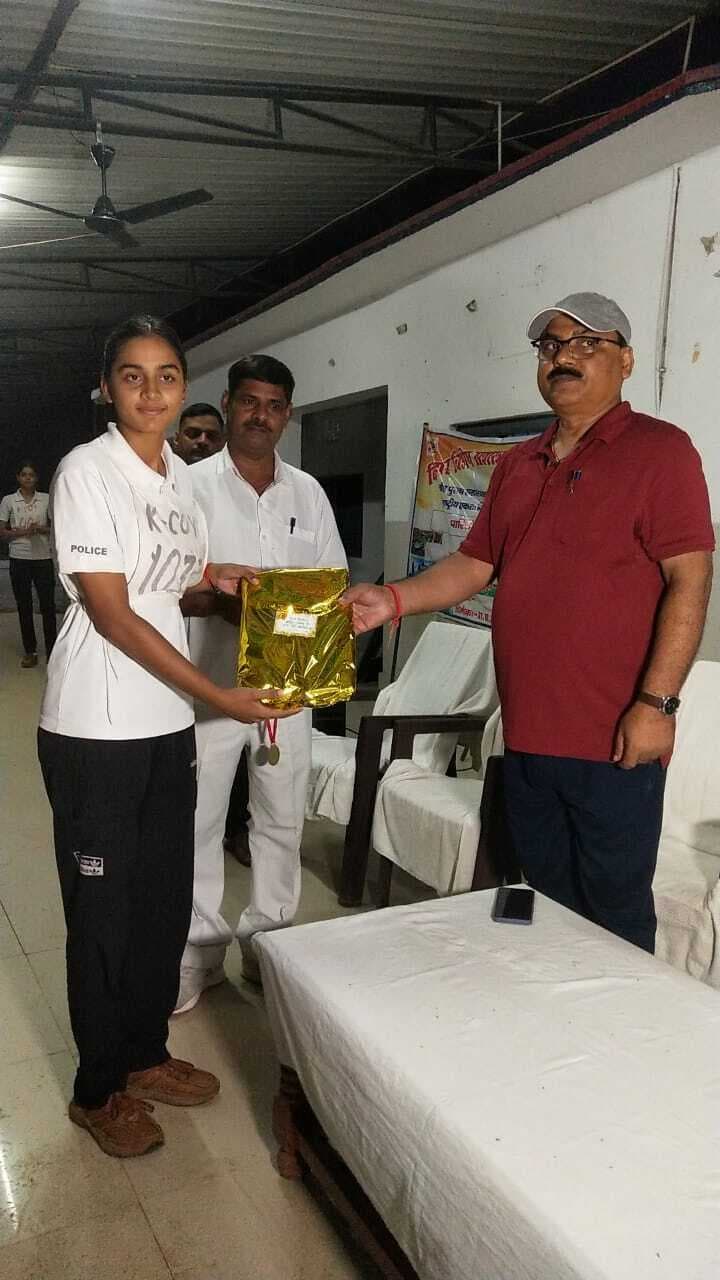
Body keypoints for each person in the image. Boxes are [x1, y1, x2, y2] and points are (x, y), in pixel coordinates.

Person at [345, 292, 714, 954]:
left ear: (626, 361)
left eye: (587, 343)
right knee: (541, 903)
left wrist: (656, 704)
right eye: (551, 346)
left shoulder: (661, 452)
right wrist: (392, 600)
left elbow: (690, 579)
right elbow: (474, 564)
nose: (564, 357)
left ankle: (621, 1021)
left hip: (614, 740)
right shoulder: (518, 465)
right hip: (526, 735)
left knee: (614, 914)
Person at [37, 316, 296, 1159]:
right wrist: (217, 693)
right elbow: (112, 612)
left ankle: (145, 1053)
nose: (151, 391)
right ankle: (97, 1088)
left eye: (167, 376)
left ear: (185, 388)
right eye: (132, 375)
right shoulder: (87, 472)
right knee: (103, 915)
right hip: (96, 728)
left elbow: (170, 587)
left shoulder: (179, 479)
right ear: (107, 387)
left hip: (165, 726)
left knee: (160, 901)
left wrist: (220, 581)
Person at [176, 353, 347, 1011]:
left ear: (288, 415)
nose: (260, 416)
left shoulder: (307, 493)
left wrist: (274, 617)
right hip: (207, 688)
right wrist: (220, 600)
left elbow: (328, 591)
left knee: (280, 823)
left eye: (274, 406)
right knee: (198, 823)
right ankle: (198, 956)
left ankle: (267, 949)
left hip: (287, 691)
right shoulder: (187, 486)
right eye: (249, 401)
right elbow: (166, 585)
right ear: (227, 404)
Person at [0, 461, 57, 667]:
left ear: (36, 478)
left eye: (31, 475)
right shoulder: (8, 500)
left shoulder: (47, 499)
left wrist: (41, 529)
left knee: (48, 607)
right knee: (24, 607)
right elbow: (2, 532)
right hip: (19, 559)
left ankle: (53, 652)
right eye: (24, 474)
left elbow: (57, 527)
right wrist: (23, 532)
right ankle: (30, 651)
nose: (28, 478)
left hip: (43, 559)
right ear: (18, 477)